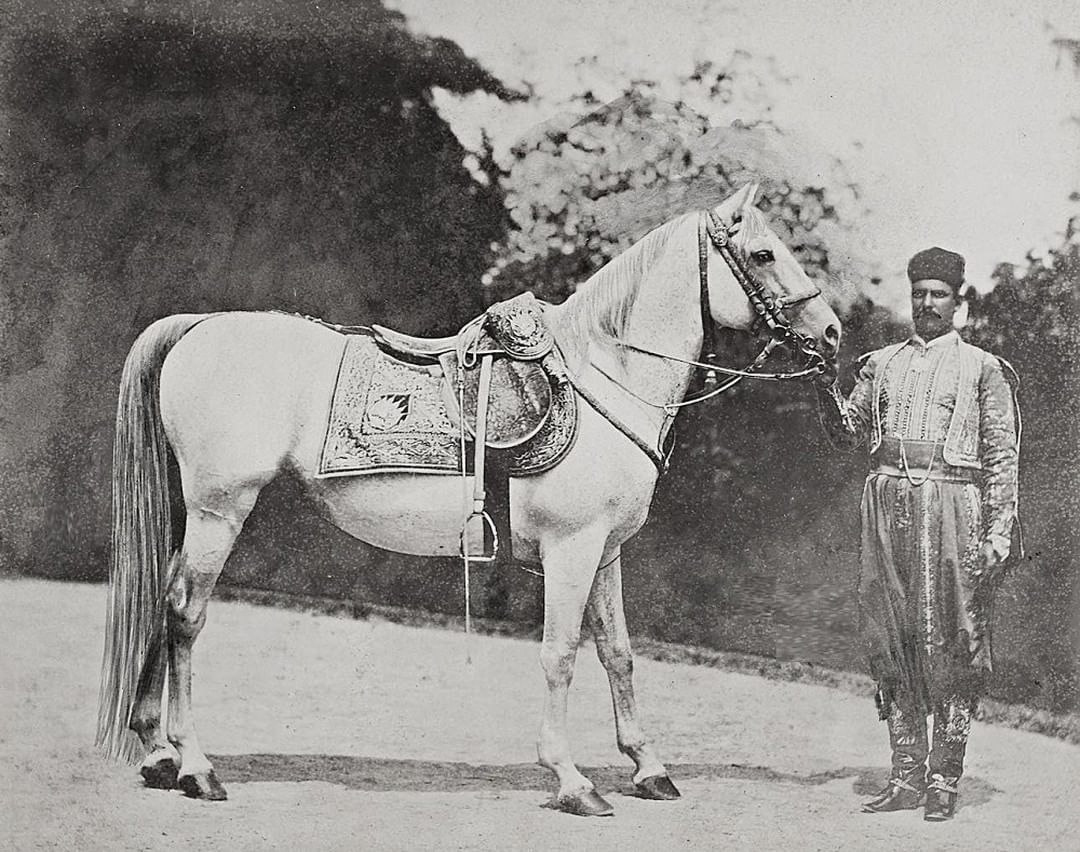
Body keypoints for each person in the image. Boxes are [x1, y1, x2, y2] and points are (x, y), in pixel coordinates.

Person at [815, 246, 1020, 821]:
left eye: (939, 294)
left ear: (957, 301)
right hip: (884, 503)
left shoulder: (983, 368)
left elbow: (1003, 459)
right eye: (920, 294)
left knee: (955, 637)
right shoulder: (881, 363)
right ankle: (905, 777)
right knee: (891, 633)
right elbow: (848, 433)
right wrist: (818, 378)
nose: (928, 304)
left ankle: (944, 781)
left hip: (955, 507)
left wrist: (997, 533)